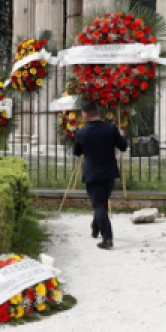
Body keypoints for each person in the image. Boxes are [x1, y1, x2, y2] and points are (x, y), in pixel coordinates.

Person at [73, 100, 128, 250]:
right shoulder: (111, 129)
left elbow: (76, 152)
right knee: (101, 204)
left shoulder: (82, 132)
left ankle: (107, 240)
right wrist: (122, 135)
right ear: (98, 112)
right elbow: (123, 146)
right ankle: (96, 226)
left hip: (92, 174)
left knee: (99, 206)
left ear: (85, 115)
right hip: (109, 173)